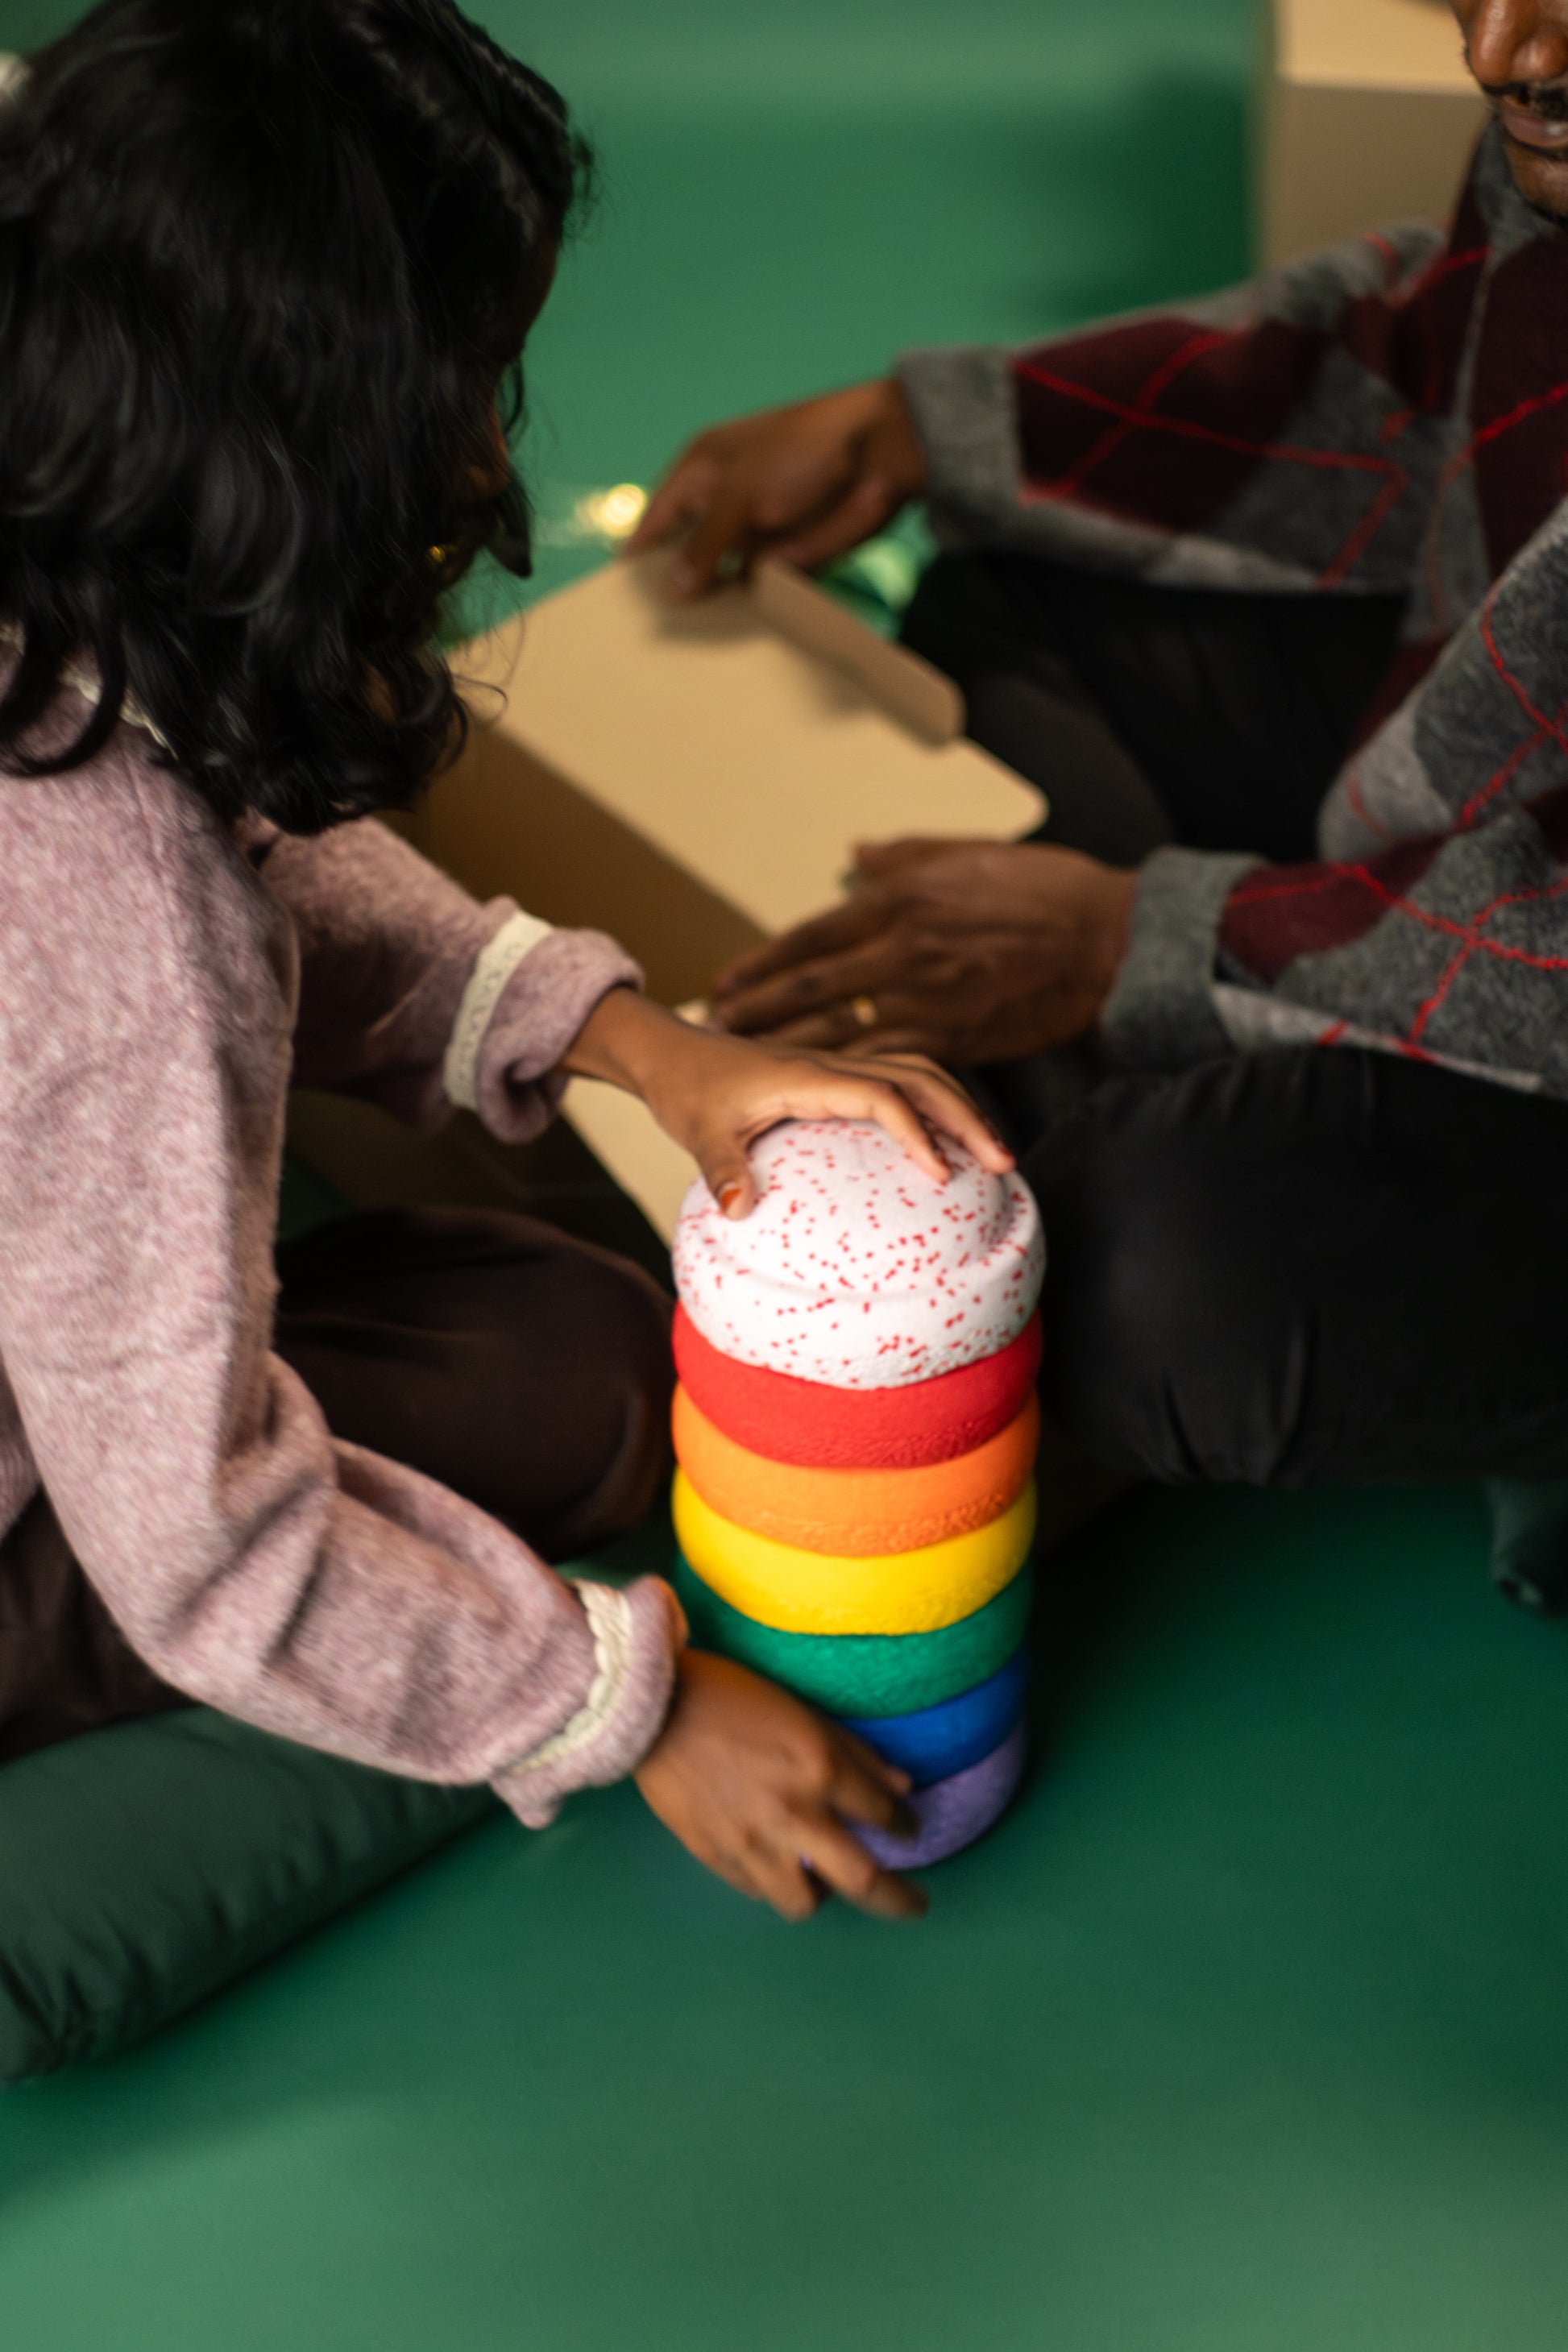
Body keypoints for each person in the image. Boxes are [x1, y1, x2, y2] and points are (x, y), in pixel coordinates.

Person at [0, 0, 1022, 1924]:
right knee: (586, 1371)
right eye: (461, 392)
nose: (486, 456)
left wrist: (629, 1035)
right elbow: (198, 1550)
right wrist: (619, 1703)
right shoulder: (116, 922)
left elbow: (196, 818)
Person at [633, 0, 1568, 1532]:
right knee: (1010, 595)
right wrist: (937, 430)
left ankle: (1148, 1107)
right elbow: (1435, 362)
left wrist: (1156, 939)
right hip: (1476, 795)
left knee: (1141, 1272)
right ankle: (1169, 1066)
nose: (1499, 52)